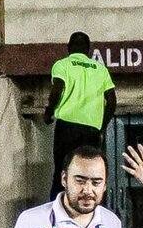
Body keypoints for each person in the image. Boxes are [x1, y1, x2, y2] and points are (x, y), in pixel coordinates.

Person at [43, 33, 115, 176]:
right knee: (89, 173)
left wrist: (49, 112)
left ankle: (59, 198)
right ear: (88, 49)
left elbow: (57, 89)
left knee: (62, 172)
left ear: (68, 48)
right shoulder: (101, 69)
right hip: (92, 130)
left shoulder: (62, 65)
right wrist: (101, 128)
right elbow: (112, 102)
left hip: (67, 128)